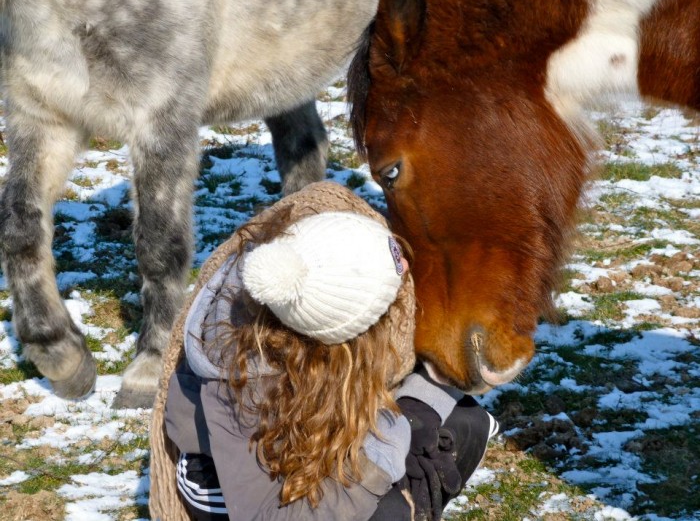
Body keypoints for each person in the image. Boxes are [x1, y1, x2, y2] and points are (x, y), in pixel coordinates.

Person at [148, 182, 498, 521]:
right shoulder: (238, 384)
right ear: (344, 337)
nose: (404, 267)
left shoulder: (321, 240)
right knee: (386, 510)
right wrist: (377, 464)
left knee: (461, 422)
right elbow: (264, 515)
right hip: (237, 488)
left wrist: (415, 409)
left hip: (313, 419)